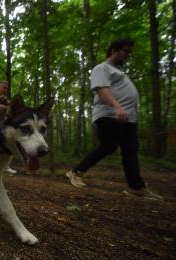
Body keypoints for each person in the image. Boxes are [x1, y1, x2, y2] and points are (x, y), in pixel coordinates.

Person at [65, 39, 163, 200]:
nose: (128, 55)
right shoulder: (101, 68)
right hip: (109, 114)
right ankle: (76, 172)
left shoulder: (119, 72)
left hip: (127, 117)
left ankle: (136, 187)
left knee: (131, 149)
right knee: (108, 146)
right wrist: (117, 107)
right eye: (126, 51)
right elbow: (101, 89)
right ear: (114, 51)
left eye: (130, 52)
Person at [0, 81, 17, 174]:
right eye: (4, 87)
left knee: (10, 142)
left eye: (6, 88)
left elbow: (14, 107)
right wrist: (8, 108)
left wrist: (7, 101)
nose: (5, 90)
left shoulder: (7, 100)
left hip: (6, 124)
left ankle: (6, 166)